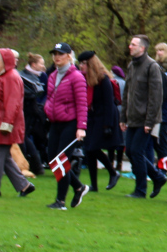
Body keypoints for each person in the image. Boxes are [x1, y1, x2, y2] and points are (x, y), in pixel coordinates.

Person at [0, 49, 35, 198]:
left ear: (5, 62)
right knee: (3, 157)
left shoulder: (10, 77)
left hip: (4, 125)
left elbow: (13, 103)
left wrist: (7, 124)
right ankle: (24, 186)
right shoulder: (2, 77)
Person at [119, 35, 167, 199]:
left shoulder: (152, 66)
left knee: (137, 152)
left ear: (142, 48)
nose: (130, 46)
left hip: (146, 119)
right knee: (131, 152)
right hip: (132, 117)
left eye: (133, 44)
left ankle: (141, 190)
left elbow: (156, 96)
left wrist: (150, 121)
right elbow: (127, 93)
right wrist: (123, 117)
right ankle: (157, 177)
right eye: (130, 43)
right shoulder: (132, 65)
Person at [43, 42, 90, 210]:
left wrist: (81, 127)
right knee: (52, 160)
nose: (56, 57)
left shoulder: (76, 76)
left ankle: (60, 201)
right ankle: (79, 187)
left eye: (60, 54)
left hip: (70, 123)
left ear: (69, 56)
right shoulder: (52, 76)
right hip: (55, 123)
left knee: (61, 160)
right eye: (54, 53)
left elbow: (82, 103)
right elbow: (50, 98)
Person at [78, 51, 122, 192]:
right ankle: (94, 185)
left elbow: (109, 104)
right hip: (92, 116)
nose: (81, 66)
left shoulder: (103, 80)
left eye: (84, 63)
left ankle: (113, 172)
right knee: (89, 151)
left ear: (90, 64)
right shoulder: (85, 80)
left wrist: (107, 125)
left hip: (104, 117)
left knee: (93, 148)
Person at [18, 53, 48, 175]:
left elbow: (44, 92)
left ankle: (32, 164)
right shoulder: (25, 76)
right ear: (34, 64)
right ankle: (34, 165)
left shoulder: (39, 76)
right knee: (24, 137)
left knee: (24, 137)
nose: (43, 66)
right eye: (41, 63)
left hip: (32, 111)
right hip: (29, 110)